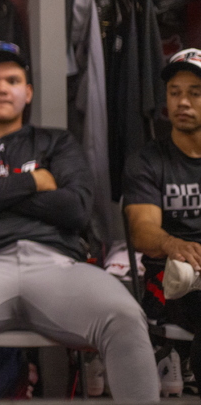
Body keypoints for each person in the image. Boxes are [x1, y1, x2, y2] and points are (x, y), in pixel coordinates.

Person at [0, 40, 158, 404]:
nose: (2, 88)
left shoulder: (58, 142)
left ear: (28, 91)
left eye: (12, 80)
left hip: (58, 267)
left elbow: (75, 209)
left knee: (125, 313)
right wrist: (34, 182)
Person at [124, 48, 201, 380]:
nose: (182, 102)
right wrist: (172, 244)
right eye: (175, 93)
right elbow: (141, 231)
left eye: (195, 94)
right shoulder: (147, 161)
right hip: (169, 282)